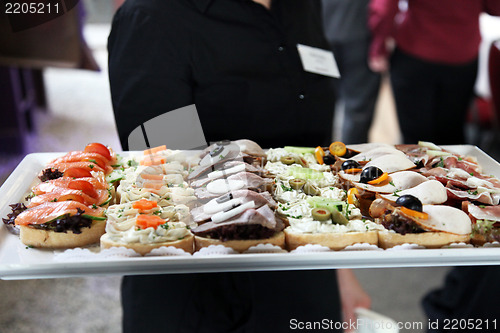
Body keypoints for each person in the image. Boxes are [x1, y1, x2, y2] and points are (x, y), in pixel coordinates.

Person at [108, 0, 370, 332]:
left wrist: (339, 266)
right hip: (200, 293)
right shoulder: (151, 19)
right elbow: (163, 182)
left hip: (302, 271)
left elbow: (311, 160)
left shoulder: (303, 6)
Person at [368, 0, 500, 145]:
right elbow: (495, 7)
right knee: (451, 135)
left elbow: (385, 8)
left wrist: (379, 46)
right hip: (461, 54)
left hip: (416, 52)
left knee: (415, 139)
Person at [322, 0, 381, 144]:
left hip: (347, 30)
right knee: (356, 110)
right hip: (355, 32)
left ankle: (347, 159)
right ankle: (350, 158)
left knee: (323, 105)